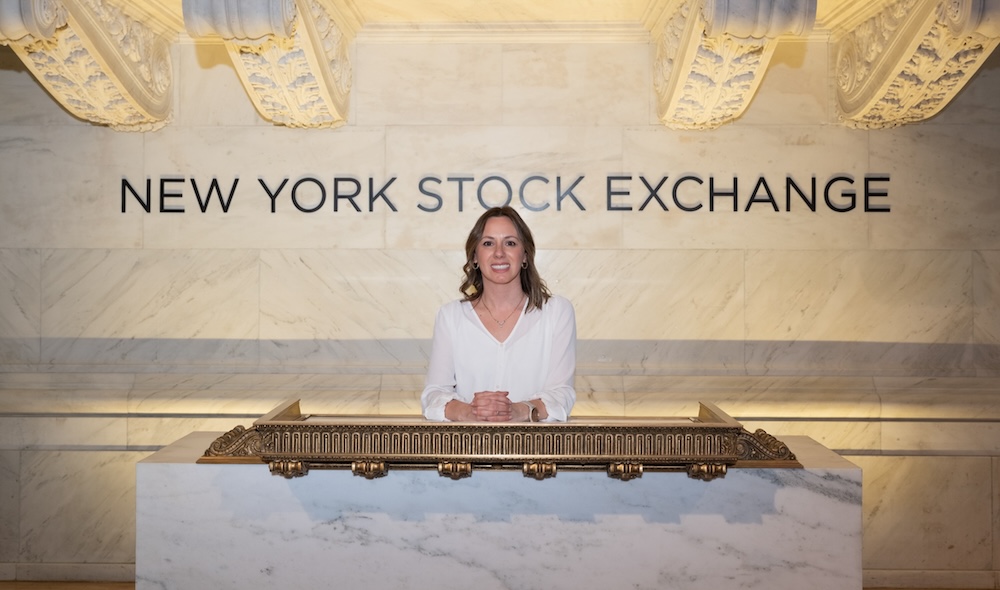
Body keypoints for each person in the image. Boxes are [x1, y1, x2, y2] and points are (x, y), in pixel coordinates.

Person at [421, 206, 576, 422]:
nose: (499, 253)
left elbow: (562, 395)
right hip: (467, 451)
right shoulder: (451, 316)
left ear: (525, 256)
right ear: (475, 257)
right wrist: (470, 411)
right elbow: (433, 395)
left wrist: (520, 410)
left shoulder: (557, 312)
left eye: (510, 243)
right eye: (488, 243)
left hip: (536, 452)